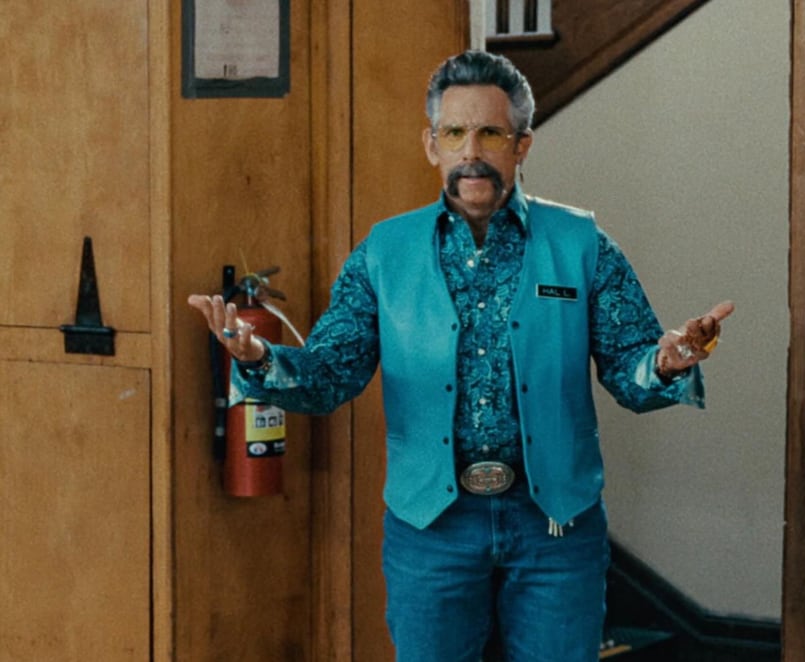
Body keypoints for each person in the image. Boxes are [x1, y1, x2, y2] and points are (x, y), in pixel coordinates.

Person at [189, 50, 734, 662]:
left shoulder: (582, 244)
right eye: (454, 133)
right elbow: (330, 374)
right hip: (431, 525)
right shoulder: (384, 252)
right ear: (432, 145)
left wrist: (666, 363)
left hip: (556, 525)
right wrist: (260, 357)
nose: (471, 151)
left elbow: (631, 370)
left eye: (491, 133)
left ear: (522, 145)